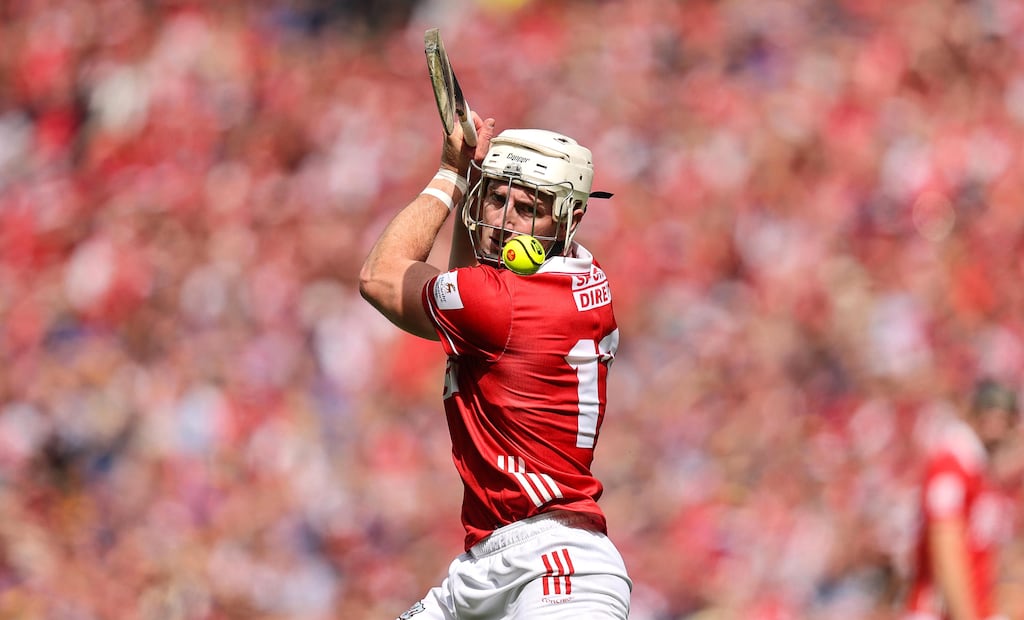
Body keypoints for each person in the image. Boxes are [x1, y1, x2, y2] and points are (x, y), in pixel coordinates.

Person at [359, 111, 632, 619]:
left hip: (557, 571)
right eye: (496, 198)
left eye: (527, 208)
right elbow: (471, 302)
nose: (504, 220)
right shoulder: (582, 279)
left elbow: (379, 276)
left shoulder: (502, 303)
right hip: (491, 565)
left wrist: (450, 172)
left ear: (569, 218)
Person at [904, 378, 1019, 620]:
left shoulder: (979, 470)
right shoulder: (952, 465)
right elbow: (946, 547)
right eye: (991, 415)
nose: (998, 427)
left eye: (1004, 419)